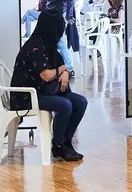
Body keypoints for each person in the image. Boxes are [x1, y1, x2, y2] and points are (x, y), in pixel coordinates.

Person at [11, 11, 86, 161]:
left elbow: (61, 66)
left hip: (45, 91)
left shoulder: (49, 45)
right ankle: (58, 145)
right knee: (65, 105)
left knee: (80, 102)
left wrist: (65, 72)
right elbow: (45, 75)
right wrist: (62, 70)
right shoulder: (35, 46)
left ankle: (65, 141)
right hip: (27, 95)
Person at [43, 0, 77, 76]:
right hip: (53, 16)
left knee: (61, 43)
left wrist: (69, 15)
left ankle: (69, 68)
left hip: (57, 16)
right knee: (58, 42)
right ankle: (64, 67)